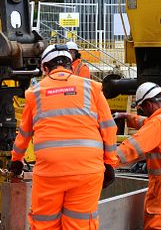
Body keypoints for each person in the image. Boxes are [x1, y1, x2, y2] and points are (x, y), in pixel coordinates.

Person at [10, 44, 117, 230]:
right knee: (80, 224)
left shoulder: (35, 93)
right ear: (71, 65)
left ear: (44, 68)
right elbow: (109, 129)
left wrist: (16, 160)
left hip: (50, 171)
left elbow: (24, 133)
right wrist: (109, 163)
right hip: (88, 170)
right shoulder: (92, 88)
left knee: (45, 223)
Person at [112, 82, 161, 230]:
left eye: (142, 108)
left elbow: (131, 149)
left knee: (157, 226)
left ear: (149, 104)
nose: (142, 111)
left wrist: (104, 163)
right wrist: (127, 116)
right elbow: (147, 122)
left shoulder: (157, 125)